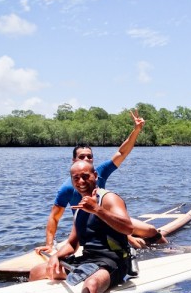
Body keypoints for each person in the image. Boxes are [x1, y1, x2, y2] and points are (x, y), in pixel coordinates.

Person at [35, 109, 165, 256]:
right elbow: (54, 216)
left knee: (151, 231)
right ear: (74, 160)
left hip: (110, 218)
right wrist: (49, 245)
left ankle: (171, 252)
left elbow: (122, 153)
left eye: (89, 157)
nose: (86, 159)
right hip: (88, 227)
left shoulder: (99, 172)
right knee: (132, 242)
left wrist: (136, 130)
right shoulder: (67, 188)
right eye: (81, 157)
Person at [30, 160, 134, 293]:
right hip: (88, 260)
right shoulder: (79, 207)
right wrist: (56, 257)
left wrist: (97, 210)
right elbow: (72, 244)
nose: (81, 182)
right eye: (76, 178)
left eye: (85, 176)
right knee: (38, 271)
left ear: (95, 176)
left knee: (91, 284)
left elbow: (128, 228)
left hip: (113, 262)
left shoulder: (109, 199)